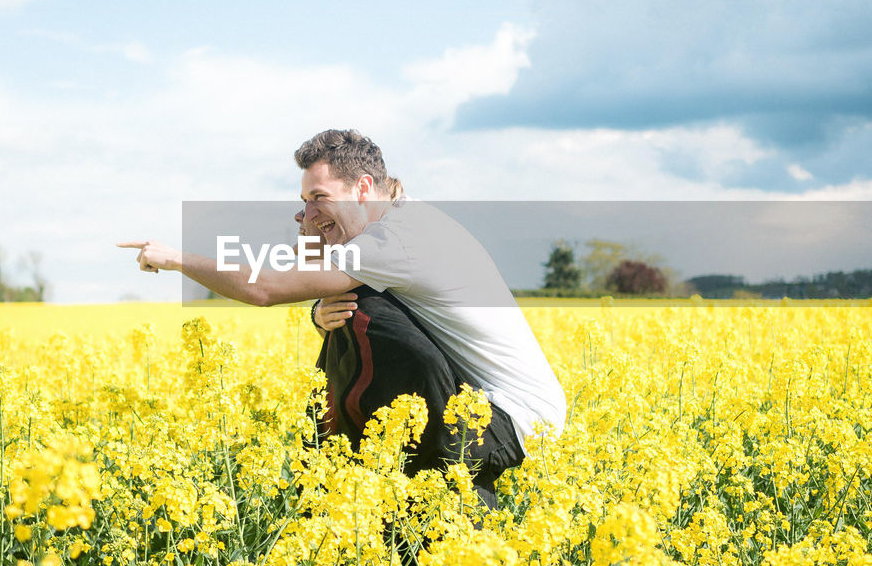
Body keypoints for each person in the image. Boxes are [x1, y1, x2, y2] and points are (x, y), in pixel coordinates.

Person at [119, 129, 566, 503]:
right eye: (303, 200)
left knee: (362, 311)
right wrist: (317, 273)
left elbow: (264, 287)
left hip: (508, 418)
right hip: (478, 399)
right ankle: (338, 482)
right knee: (355, 311)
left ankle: (331, 476)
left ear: (364, 188)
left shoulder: (396, 241)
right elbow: (300, 273)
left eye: (320, 197)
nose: (309, 211)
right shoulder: (396, 221)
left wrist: (174, 258)